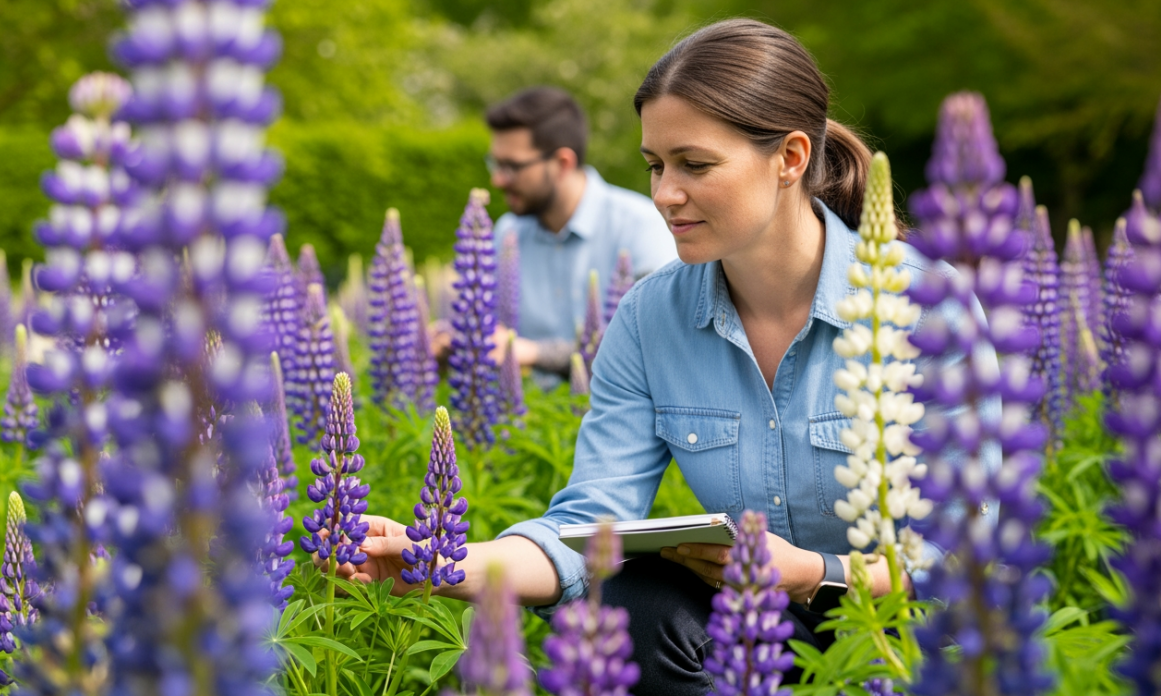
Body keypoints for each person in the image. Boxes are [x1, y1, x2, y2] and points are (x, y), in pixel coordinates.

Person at [330, 18, 999, 694]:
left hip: (907, 642)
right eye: (655, 166)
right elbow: (588, 522)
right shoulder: (650, 317)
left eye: (695, 165)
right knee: (634, 596)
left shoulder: (925, 307)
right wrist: (440, 562)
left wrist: (812, 572)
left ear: (790, 158)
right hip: (762, 641)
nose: (664, 195)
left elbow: (967, 554)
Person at [484, 86, 677, 378]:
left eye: (511, 166)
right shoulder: (508, 232)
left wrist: (534, 352)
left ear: (563, 164)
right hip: (528, 415)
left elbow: (653, 344)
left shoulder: (643, 225)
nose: (498, 179)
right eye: (495, 164)